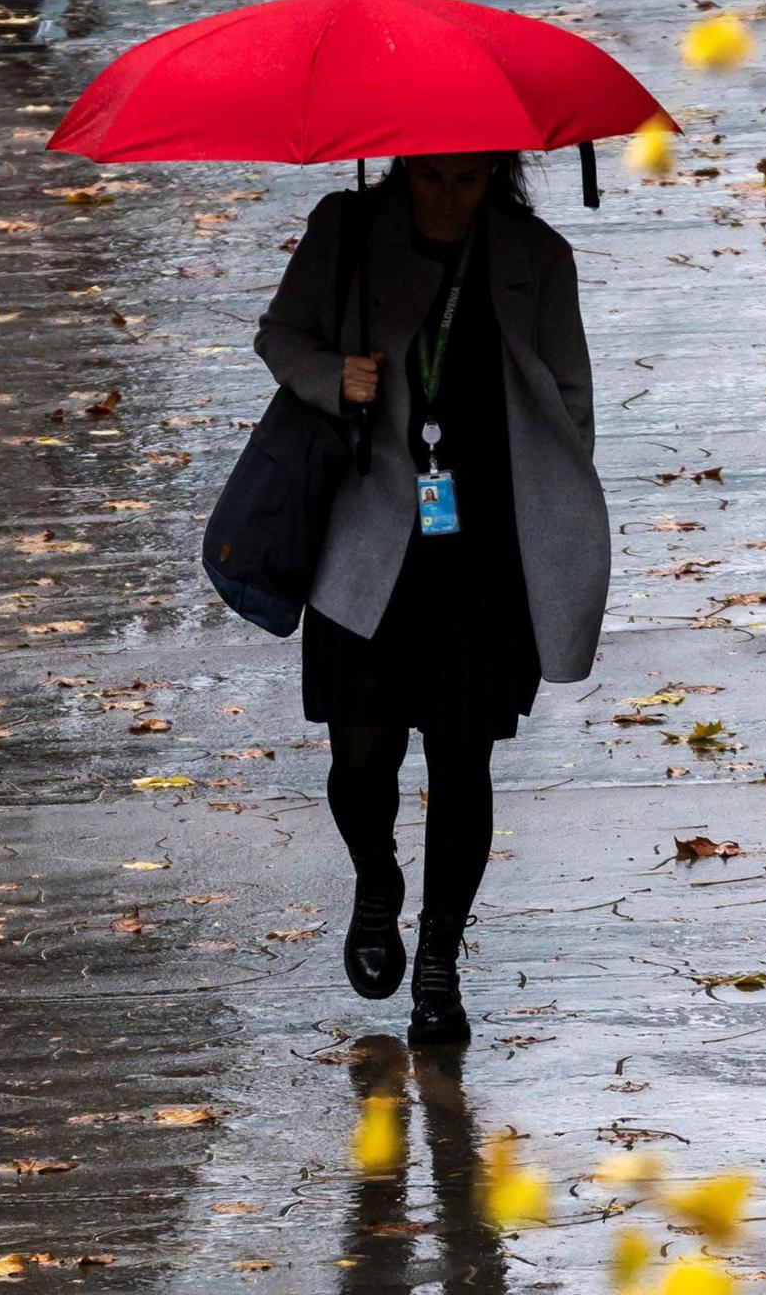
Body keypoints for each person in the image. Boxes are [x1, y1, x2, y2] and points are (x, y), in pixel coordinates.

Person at [253, 151, 609, 1045]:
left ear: (497, 177)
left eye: (469, 180)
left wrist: (557, 504)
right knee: (362, 754)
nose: (448, 197)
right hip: (366, 537)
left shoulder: (536, 257)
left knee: (462, 762)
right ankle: (378, 886)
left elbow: (570, 397)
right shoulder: (346, 231)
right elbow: (281, 336)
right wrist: (335, 377)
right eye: (431, 178)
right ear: (403, 169)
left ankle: (441, 962)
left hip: (482, 549)